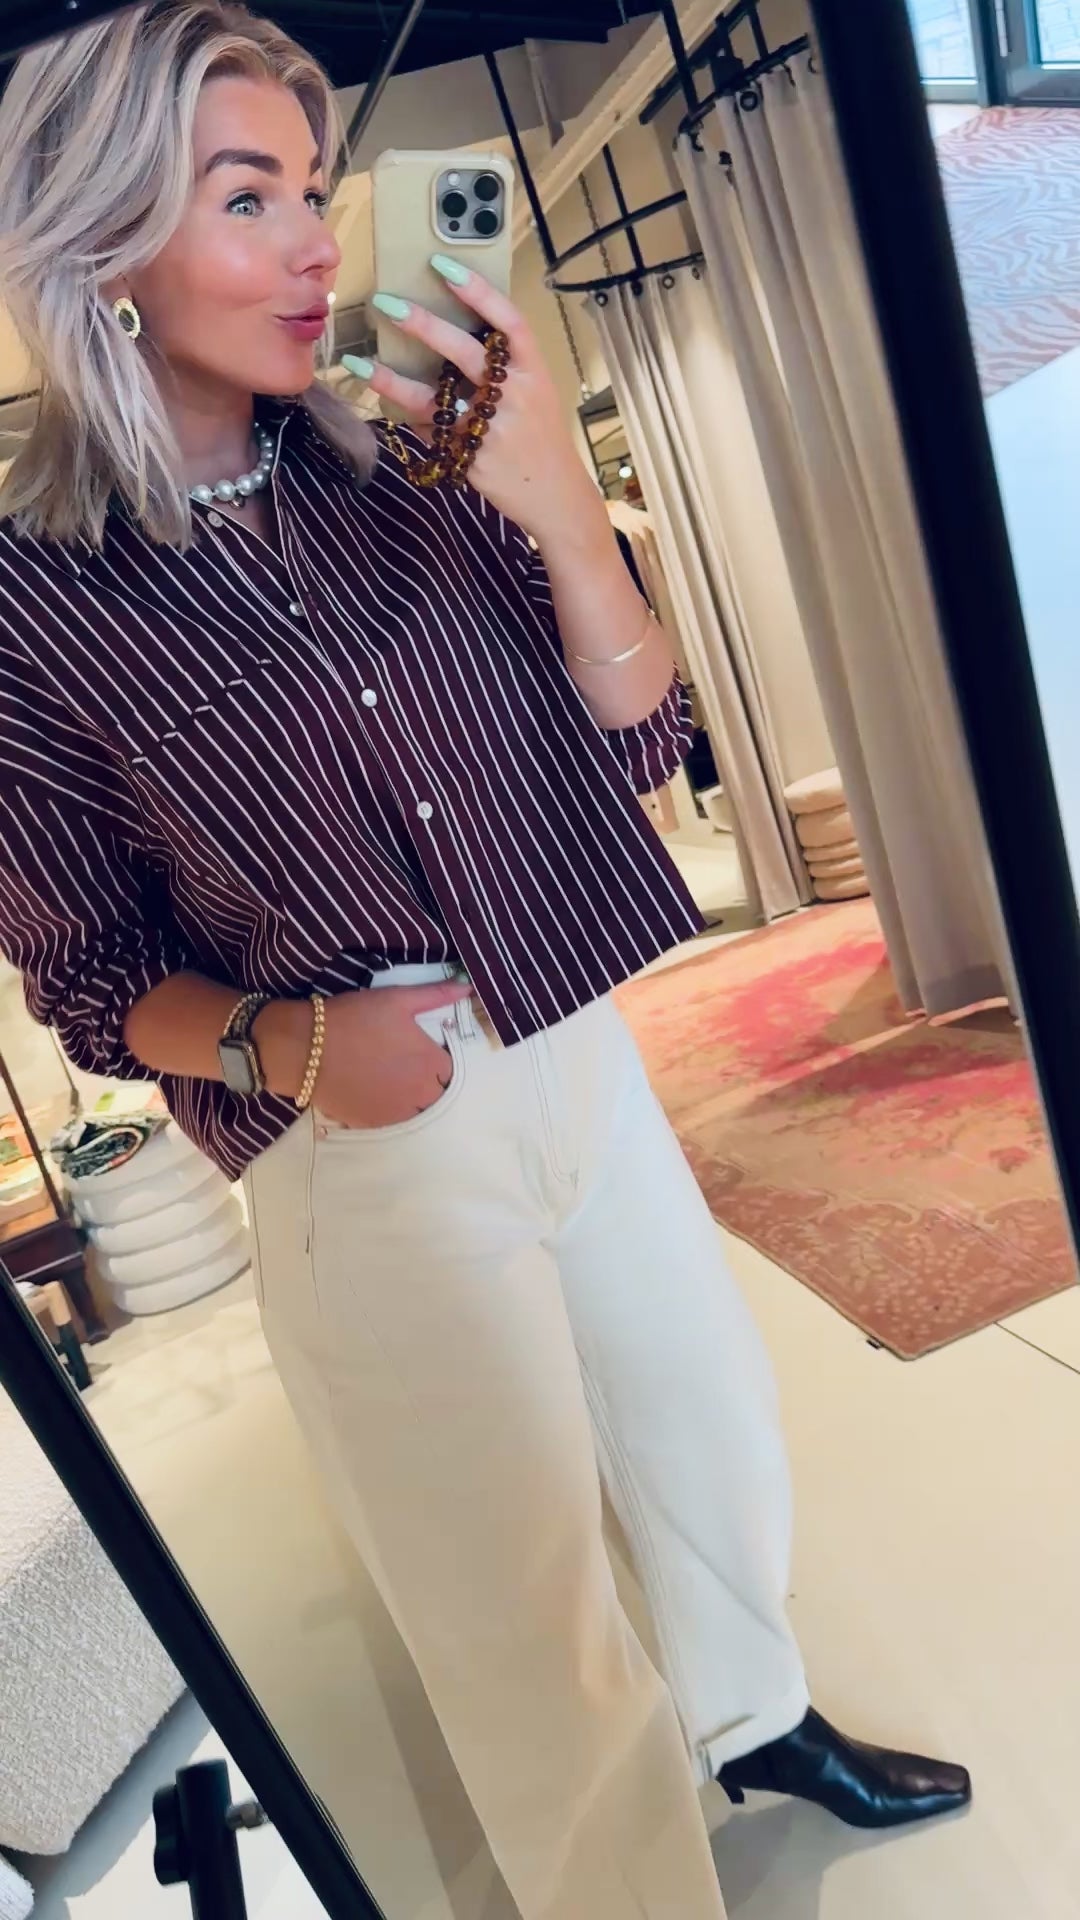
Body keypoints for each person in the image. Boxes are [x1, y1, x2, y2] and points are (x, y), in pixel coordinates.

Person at [0, 6, 970, 1916]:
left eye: (315, 190)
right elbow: (90, 974)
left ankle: (759, 1721)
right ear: (101, 243)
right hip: (369, 1151)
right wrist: (296, 1046)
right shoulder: (32, 605)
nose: (316, 244)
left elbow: (641, 735)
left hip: (583, 1055)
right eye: (247, 198)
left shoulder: (409, 465)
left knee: (708, 1444)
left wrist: (558, 506)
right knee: (518, 1602)